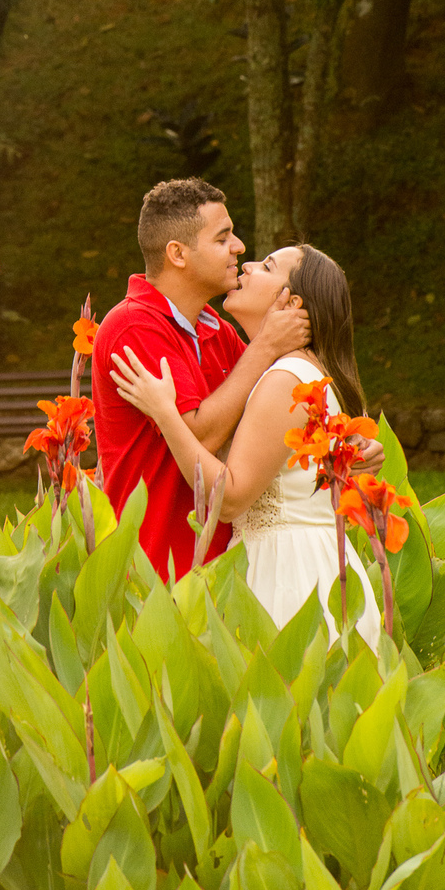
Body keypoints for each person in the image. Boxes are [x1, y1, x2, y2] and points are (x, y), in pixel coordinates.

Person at [113, 240, 382, 646]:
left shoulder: (286, 379)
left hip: (288, 576)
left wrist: (166, 414)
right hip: (308, 563)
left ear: (290, 303)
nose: (247, 264)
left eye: (267, 266)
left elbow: (231, 498)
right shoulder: (291, 370)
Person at [91, 178, 315, 580]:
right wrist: (265, 346)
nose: (239, 247)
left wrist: (346, 444)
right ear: (177, 254)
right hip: (156, 572)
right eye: (222, 238)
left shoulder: (216, 329)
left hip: (221, 569)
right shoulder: (133, 326)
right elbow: (202, 437)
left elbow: (274, 408)